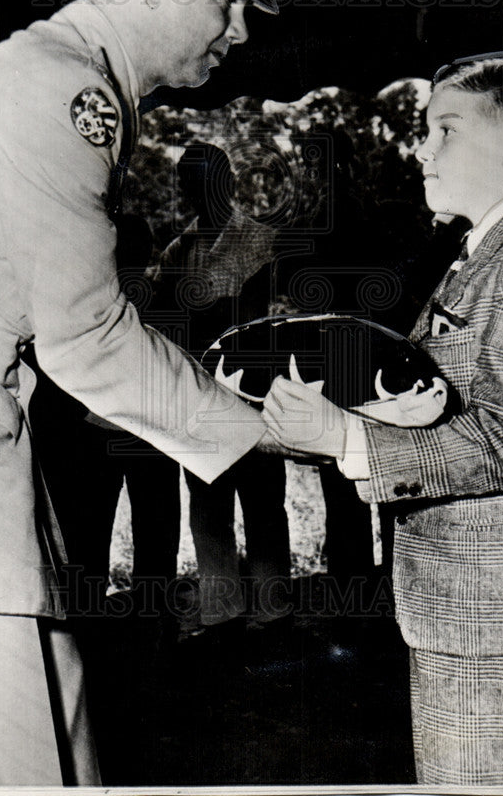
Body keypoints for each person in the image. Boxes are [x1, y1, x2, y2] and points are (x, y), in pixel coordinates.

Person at [0, 0, 283, 787]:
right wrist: (267, 429)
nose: (242, 31)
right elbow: (89, 338)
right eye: (227, 1)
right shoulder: (63, 97)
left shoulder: (52, 77)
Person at [262, 51, 503, 786]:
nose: (423, 148)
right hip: (474, 612)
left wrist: (346, 438)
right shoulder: (480, 253)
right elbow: (442, 399)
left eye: (445, 129)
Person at [149, 143, 291, 644]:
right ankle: (222, 615)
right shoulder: (178, 250)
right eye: (188, 182)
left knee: (263, 502)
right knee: (208, 505)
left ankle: (274, 614)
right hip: (198, 394)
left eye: (206, 179)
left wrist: (198, 318)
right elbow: (166, 321)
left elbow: (254, 317)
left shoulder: (259, 239)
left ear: (228, 183)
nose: (196, 191)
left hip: (251, 392)